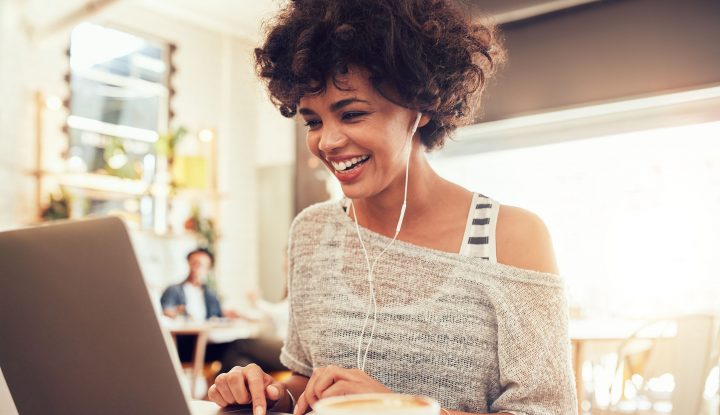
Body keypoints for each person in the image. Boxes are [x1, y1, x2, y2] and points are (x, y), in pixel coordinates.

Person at [209, 1, 577, 414]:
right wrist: (272, 394)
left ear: (420, 106)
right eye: (313, 121)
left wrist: (396, 407)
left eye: (351, 114)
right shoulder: (312, 232)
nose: (327, 142)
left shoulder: (509, 238)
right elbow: (309, 381)